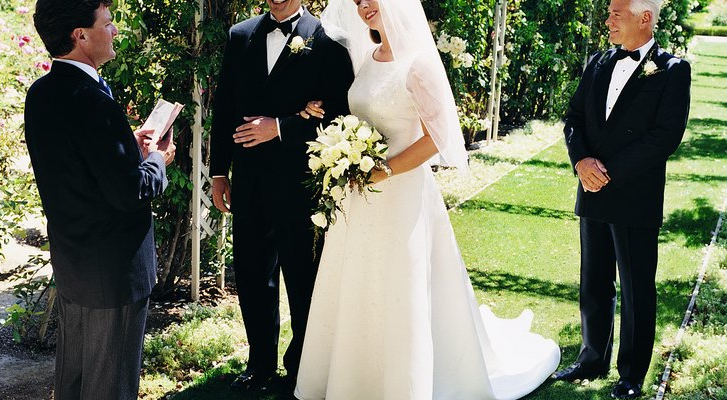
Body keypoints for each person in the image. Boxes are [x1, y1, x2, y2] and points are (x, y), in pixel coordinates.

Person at [292, 0, 560, 399]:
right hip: (360, 197)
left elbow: (437, 138)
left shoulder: (418, 63)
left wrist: (385, 169)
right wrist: (345, 153)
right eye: (358, 0)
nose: (364, 6)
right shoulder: (369, 57)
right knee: (358, 283)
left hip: (402, 195)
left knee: (400, 285)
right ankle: (355, 379)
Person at [26, 0, 176, 398]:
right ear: (80, 35)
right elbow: (130, 192)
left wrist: (130, 147)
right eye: (107, 24)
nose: (114, 32)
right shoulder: (94, 102)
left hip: (75, 264)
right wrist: (158, 159)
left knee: (74, 384)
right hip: (114, 271)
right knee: (110, 388)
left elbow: (77, 169)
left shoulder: (40, 93)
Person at [208, 0, 355, 391]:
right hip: (250, 184)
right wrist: (219, 172)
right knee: (254, 277)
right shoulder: (240, 36)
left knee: (303, 280)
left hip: (302, 187)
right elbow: (223, 109)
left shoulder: (329, 40)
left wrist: (282, 127)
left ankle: (301, 366)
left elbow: (340, 116)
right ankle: (259, 365)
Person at [552, 0, 691, 398]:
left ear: (644, 18)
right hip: (591, 189)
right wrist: (581, 162)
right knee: (593, 281)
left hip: (633, 196)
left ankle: (630, 376)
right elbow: (574, 118)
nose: (608, 19)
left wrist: (607, 172)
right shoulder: (598, 61)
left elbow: (665, 136)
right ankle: (591, 358)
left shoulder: (672, 70)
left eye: (616, 12)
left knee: (635, 289)